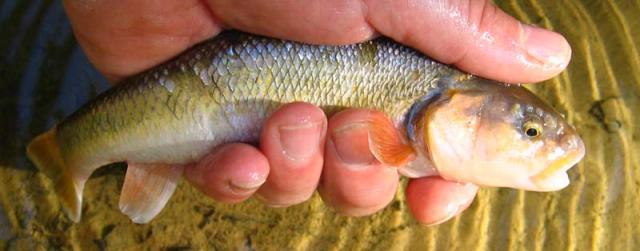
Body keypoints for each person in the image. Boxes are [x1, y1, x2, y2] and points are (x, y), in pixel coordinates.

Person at [63, 0, 571, 225]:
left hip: (216, 63)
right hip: (213, 66)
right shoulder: (422, 103)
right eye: (530, 131)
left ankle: (75, 154)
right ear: (461, 107)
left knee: (247, 167)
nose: (540, 144)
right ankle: (72, 155)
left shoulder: (431, 89)